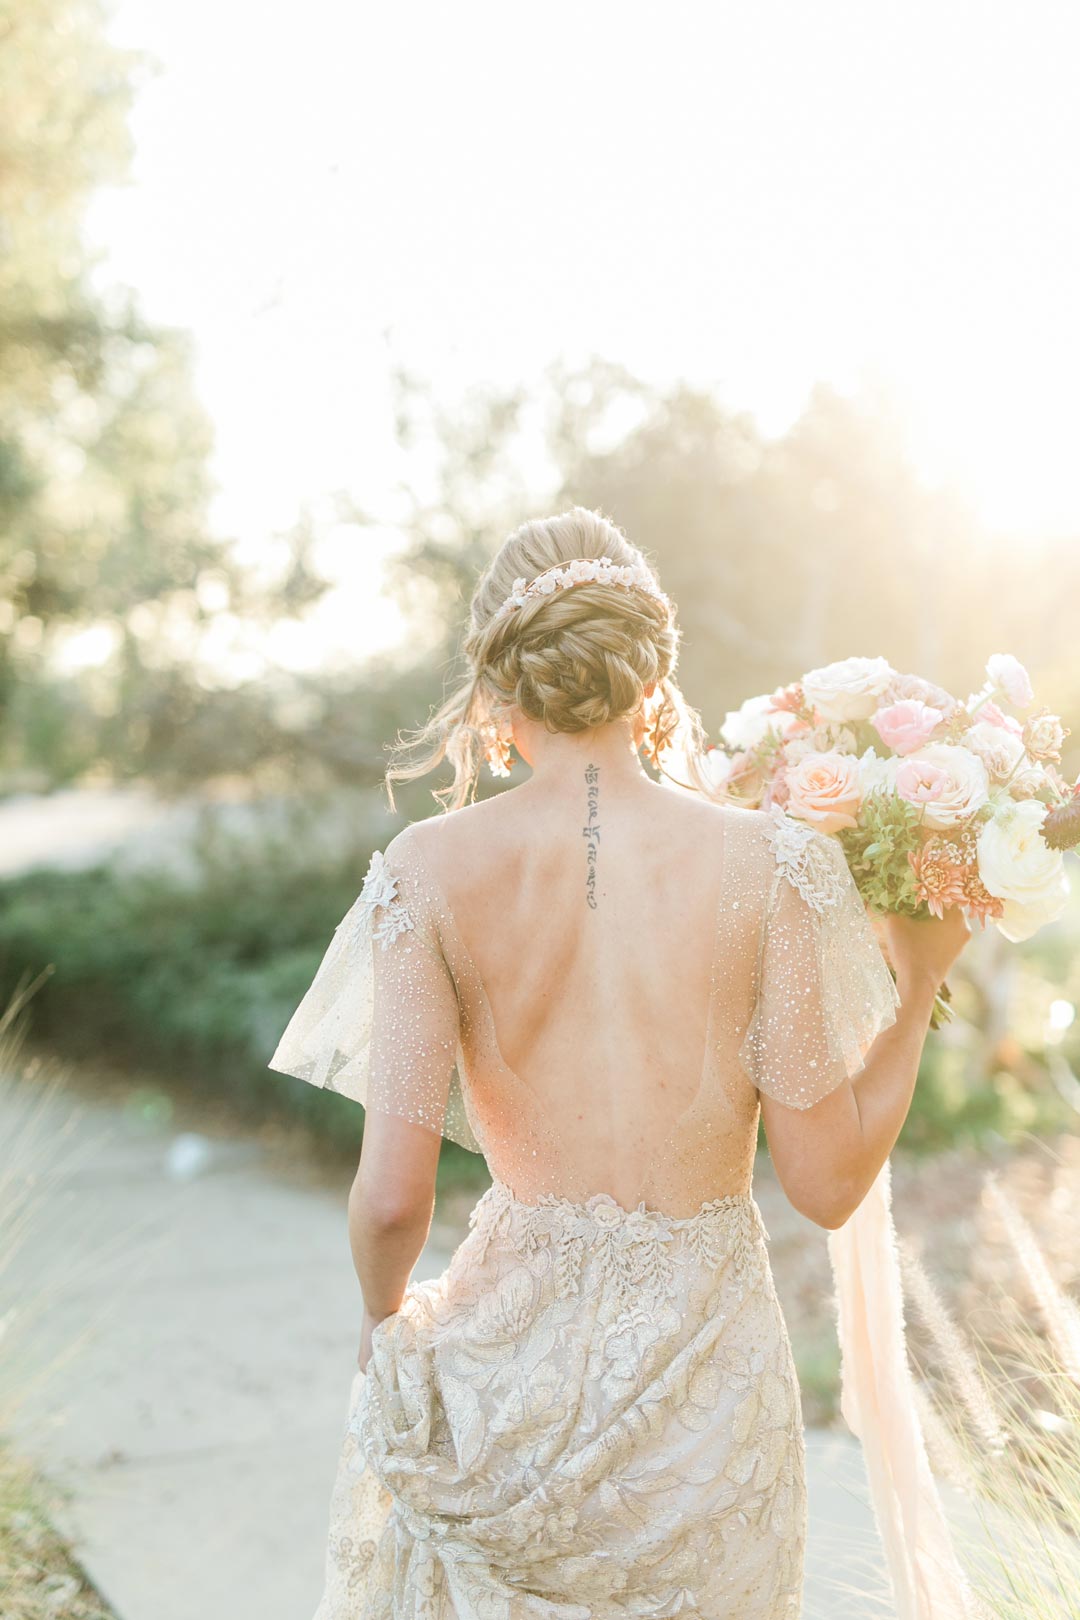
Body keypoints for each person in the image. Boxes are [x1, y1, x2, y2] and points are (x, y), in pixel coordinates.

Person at [269, 506, 973, 1620]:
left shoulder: (426, 870)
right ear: (653, 679)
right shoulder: (771, 866)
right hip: (709, 1393)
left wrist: (380, 1320)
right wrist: (921, 982)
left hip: (508, 1383)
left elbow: (394, 1198)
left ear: (499, 694)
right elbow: (828, 1184)